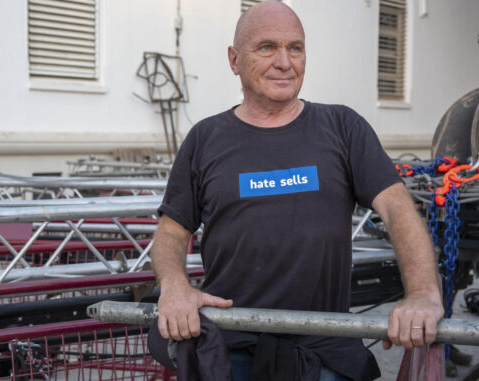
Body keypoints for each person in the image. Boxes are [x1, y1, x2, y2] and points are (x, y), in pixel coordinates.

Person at [151, 1, 444, 379]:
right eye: (267, 47)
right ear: (234, 59)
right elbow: (172, 231)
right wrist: (174, 286)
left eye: (296, 47)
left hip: (323, 352)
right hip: (230, 349)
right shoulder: (205, 138)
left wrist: (422, 293)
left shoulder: (342, 127)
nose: (284, 62)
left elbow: (398, 210)